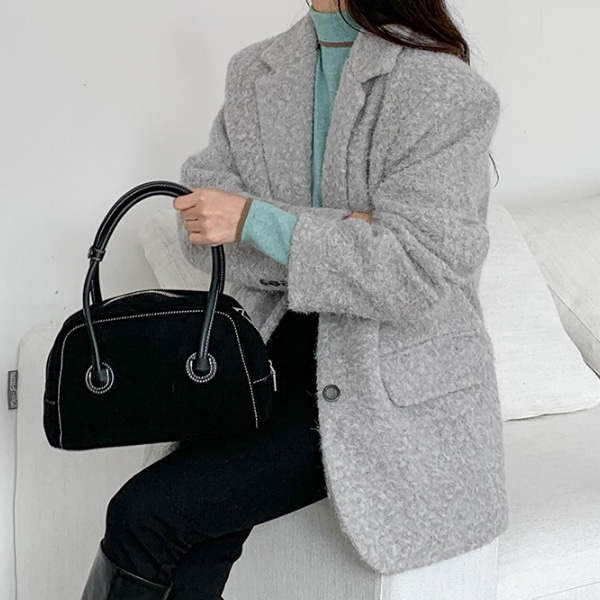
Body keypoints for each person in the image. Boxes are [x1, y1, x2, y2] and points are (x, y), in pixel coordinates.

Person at [79, 0, 508, 598]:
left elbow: (416, 271)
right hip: (261, 363)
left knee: (146, 515)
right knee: (185, 537)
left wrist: (257, 220)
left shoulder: (442, 88)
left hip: (385, 387)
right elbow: (199, 231)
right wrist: (347, 230)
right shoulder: (256, 70)